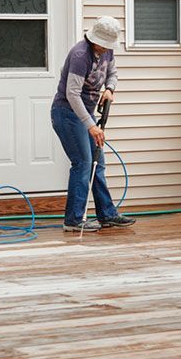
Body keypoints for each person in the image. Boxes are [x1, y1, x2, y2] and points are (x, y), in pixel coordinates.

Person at [49, 15, 134, 233]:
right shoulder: (80, 55)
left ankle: (107, 215)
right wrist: (91, 124)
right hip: (67, 113)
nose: (107, 49)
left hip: (86, 115)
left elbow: (112, 73)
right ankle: (74, 220)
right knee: (84, 163)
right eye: (104, 44)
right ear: (94, 38)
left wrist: (109, 89)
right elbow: (72, 94)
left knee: (98, 162)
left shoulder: (107, 51)